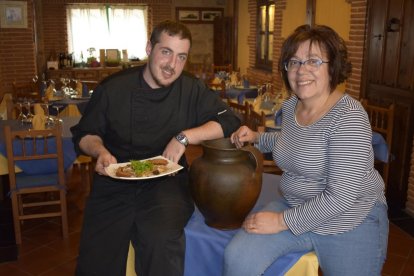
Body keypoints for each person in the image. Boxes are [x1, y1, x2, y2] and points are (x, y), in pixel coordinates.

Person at [71, 20, 240, 276]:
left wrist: (184, 137)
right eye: (166, 52)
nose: (172, 65)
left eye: (181, 57)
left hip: (167, 182)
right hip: (115, 178)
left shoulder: (191, 89)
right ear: (149, 48)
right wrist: (100, 151)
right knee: (98, 254)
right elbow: (85, 134)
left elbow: (229, 121)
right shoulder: (114, 87)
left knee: (159, 241)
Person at [224, 24, 388, 275]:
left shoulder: (349, 117)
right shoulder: (292, 106)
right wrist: (256, 137)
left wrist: (280, 221)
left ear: (333, 67)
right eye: (294, 62)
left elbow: (341, 197)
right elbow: (291, 143)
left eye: (313, 61)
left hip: (351, 219)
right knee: (237, 258)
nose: (302, 71)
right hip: (296, 204)